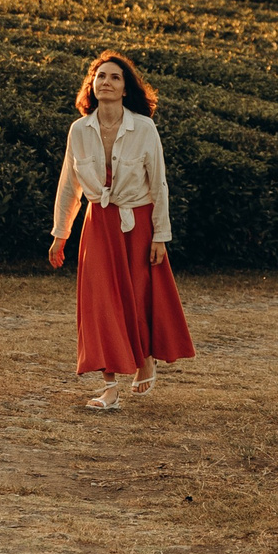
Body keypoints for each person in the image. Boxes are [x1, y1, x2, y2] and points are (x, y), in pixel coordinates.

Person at [47, 51, 195, 411]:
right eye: (100, 77)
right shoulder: (78, 130)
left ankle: (145, 358)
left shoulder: (143, 128)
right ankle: (110, 387)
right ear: (92, 85)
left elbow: (158, 184)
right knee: (101, 303)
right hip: (98, 224)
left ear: (126, 88)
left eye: (115, 77)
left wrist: (160, 235)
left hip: (138, 222)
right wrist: (60, 233)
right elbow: (69, 186)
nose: (107, 82)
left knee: (138, 297)